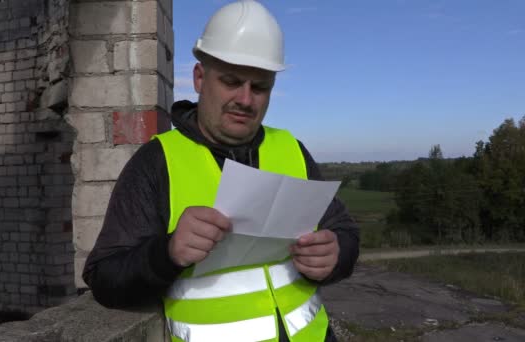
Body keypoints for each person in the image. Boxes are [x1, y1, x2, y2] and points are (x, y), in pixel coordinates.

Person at [83, 1, 359, 341]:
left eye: (260, 87)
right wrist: (166, 253)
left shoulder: (291, 149)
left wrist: (337, 254)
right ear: (200, 78)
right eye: (231, 81)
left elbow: (344, 231)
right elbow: (104, 278)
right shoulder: (156, 163)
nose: (246, 99)